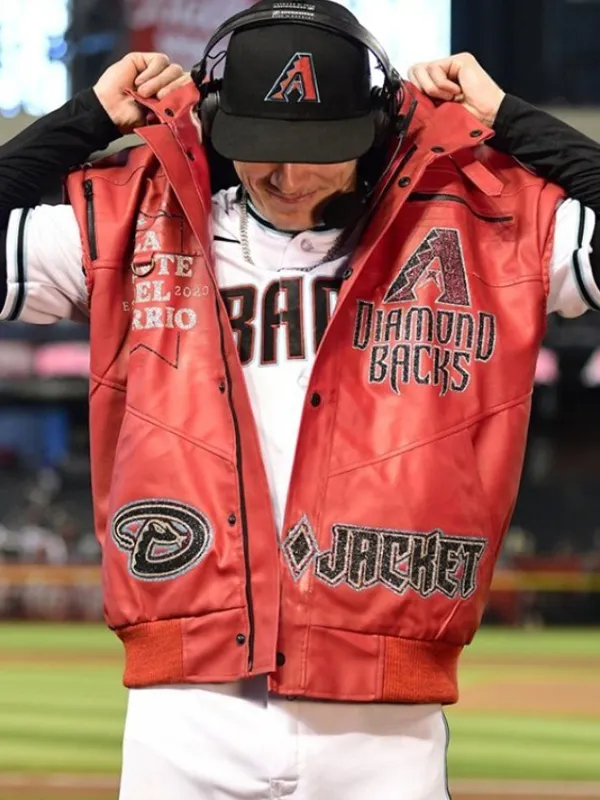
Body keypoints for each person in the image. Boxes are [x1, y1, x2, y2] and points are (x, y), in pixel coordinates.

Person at [1, 2, 600, 798]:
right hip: (186, 708)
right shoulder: (133, 221)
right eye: (261, 150)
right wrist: (85, 118)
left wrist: (509, 118)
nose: (290, 178)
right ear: (213, 122)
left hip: (383, 719)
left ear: (380, 123)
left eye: (321, 152)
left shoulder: (486, 226)